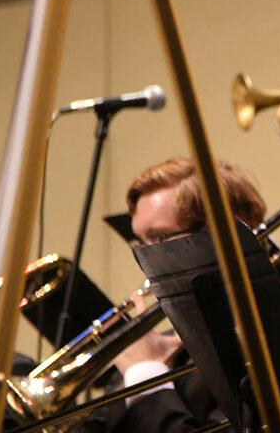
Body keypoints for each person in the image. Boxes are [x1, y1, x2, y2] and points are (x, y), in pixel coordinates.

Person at [80, 157, 266, 433]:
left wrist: (146, 374)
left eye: (160, 238)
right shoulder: (169, 342)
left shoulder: (270, 341)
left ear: (222, 233)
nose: (145, 258)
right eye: (141, 242)